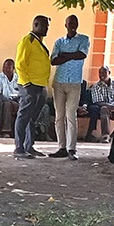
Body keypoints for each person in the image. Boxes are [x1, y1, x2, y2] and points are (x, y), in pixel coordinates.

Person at [49, 15, 89, 160]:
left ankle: (72, 148)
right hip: (59, 82)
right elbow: (54, 60)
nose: (72, 24)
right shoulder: (59, 42)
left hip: (74, 83)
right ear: (65, 24)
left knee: (71, 115)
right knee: (59, 116)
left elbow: (81, 54)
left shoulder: (84, 39)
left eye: (75, 22)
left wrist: (64, 55)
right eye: (70, 22)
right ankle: (61, 147)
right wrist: (70, 55)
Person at [13, 15, 51, 159]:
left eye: (47, 26)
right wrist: (26, 84)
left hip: (40, 85)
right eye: (44, 26)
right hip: (29, 85)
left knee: (32, 118)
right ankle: (19, 148)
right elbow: (19, 64)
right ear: (35, 24)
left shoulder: (39, 42)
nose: (47, 29)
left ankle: (29, 146)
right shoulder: (27, 41)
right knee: (23, 116)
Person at [85, 66, 114, 143]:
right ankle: (106, 135)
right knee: (104, 109)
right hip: (105, 107)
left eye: (104, 73)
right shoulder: (96, 86)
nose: (101, 75)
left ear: (109, 73)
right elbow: (98, 101)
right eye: (100, 73)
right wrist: (109, 106)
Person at [0, 58, 18, 137]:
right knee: (7, 105)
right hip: (4, 100)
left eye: (9, 68)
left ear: (13, 69)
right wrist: (11, 102)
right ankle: (6, 131)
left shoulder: (18, 78)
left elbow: (22, 92)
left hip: (17, 99)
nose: (5, 70)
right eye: (4, 67)